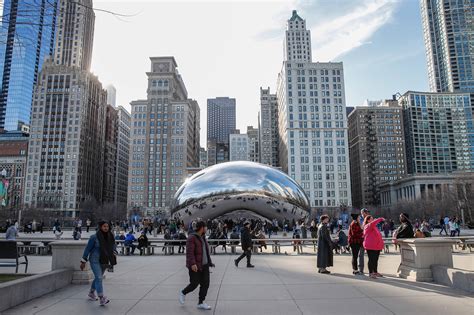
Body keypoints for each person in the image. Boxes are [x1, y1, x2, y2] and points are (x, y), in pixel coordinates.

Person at [179, 220, 215, 310]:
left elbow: (205, 251)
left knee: (205, 283)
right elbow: (189, 253)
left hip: (204, 265)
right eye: (206, 227)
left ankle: (201, 302)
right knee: (194, 283)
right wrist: (192, 264)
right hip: (195, 265)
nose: (207, 228)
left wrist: (209, 262)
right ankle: (183, 292)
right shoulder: (192, 237)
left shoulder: (203, 237)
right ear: (202, 228)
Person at [80, 221, 117, 306]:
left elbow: (113, 245)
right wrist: (83, 261)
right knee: (99, 277)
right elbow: (87, 249)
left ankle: (91, 293)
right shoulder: (94, 237)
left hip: (105, 260)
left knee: (98, 278)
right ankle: (101, 298)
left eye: (107, 226)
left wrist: (114, 252)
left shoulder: (110, 236)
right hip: (95, 260)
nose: (106, 228)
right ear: (100, 227)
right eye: (104, 226)